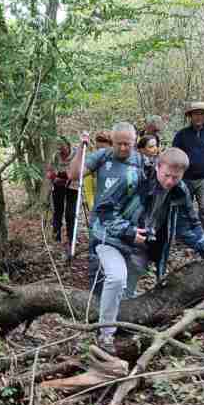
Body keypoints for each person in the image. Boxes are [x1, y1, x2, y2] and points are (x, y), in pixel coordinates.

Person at [91, 148, 204, 354]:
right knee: (117, 279)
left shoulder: (180, 191)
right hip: (110, 239)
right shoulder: (132, 179)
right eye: (167, 175)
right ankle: (105, 335)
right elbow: (103, 210)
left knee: (126, 292)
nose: (170, 181)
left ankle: (121, 329)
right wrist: (127, 231)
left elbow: (189, 223)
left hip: (140, 247)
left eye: (176, 177)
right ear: (157, 167)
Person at [68, 123, 145, 298]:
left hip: (128, 225)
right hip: (101, 224)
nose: (123, 148)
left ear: (135, 141)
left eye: (128, 144)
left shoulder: (141, 162)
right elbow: (74, 174)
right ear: (113, 141)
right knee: (98, 269)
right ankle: (96, 309)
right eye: (119, 143)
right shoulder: (102, 156)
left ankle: (123, 309)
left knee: (127, 269)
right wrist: (81, 148)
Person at [172, 101, 204, 241]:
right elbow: (174, 154)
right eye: (195, 114)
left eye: (201, 114)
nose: (198, 117)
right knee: (184, 209)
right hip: (185, 178)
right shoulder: (182, 135)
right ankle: (185, 236)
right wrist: (176, 175)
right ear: (190, 116)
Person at [46, 137, 79, 248]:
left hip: (73, 186)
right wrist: (52, 177)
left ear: (68, 145)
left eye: (62, 146)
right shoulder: (56, 156)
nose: (60, 149)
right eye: (58, 146)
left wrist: (66, 178)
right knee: (57, 211)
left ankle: (71, 238)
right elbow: (50, 170)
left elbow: (79, 171)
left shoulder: (76, 154)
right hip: (58, 185)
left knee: (70, 214)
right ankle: (56, 237)